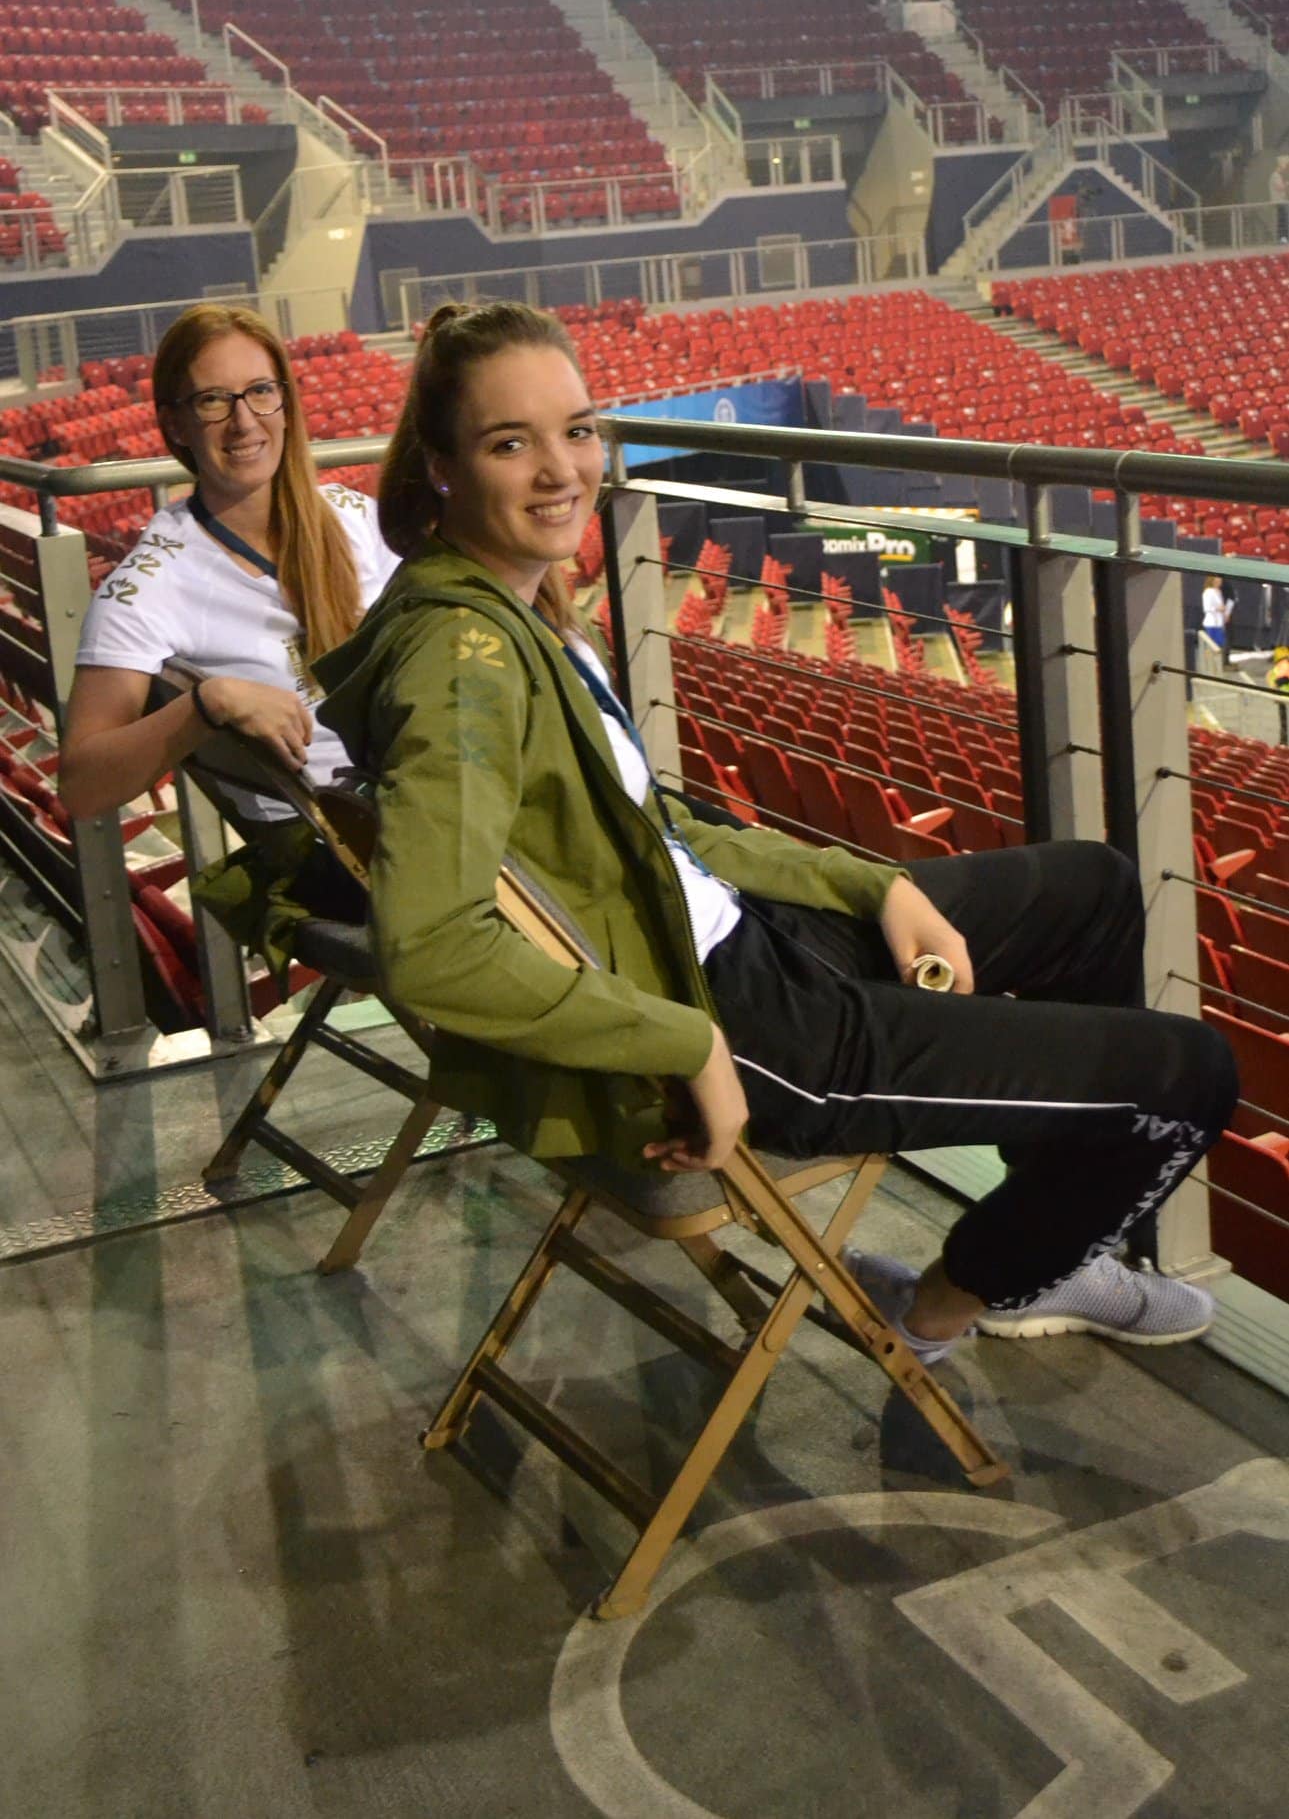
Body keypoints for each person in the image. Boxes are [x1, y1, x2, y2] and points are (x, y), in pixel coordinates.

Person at [314, 301, 1237, 1363]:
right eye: (508, 443)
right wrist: (686, 1044)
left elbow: (659, 833)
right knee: (1188, 1074)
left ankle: (1042, 1241)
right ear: (440, 467)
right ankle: (941, 1307)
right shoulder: (463, 662)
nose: (561, 469)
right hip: (746, 1023)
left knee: (1093, 889)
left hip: (736, 938)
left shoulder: (508, 611)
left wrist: (875, 886)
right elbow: (432, 945)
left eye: (576, 430)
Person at [59, 303, 400, 834]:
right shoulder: (149, 585)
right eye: (213, 400)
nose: (244, 422)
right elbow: (82, 788)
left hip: (427, 793)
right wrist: (207, 704)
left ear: (285, 404)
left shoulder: (356, 518)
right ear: (175, 424)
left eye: (260, 391)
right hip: (334, 844)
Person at [1200, 573, 1234, 672]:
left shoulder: (1218, 592)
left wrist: (1225, 614)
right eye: (1217, 581)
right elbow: (1207, 608)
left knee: (1219, 646)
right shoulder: (1208, 592)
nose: (1219, 583)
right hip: (1211, 624)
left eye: (1220, 581)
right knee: (1211, 646)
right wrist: (1218, 608)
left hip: (1219, 623)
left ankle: (1216, 666)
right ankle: (1209, 666)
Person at [1271, 154, 1289, 243]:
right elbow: (1280, 187)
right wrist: (1287, 184)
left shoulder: (1278, 176)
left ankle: (1283, 238)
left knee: (1283, 220)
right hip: (1279, 202)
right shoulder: (1275, 175)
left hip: (1282, 201)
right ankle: (1282, 238)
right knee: (1283, 221)